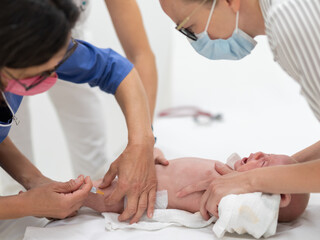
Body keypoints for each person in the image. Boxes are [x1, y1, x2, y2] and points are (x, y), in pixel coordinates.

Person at [0, 0, 158, 227]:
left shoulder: (39, 42)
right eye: (44, 71)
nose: (54, 76)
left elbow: (116, 70)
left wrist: (142, 142)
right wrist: (27, 205)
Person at [158, 0, 320, 219]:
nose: (194, 42)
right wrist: (276, 171)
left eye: (189, 28)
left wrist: (249, 181)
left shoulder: (289, 20)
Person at [84, 152, 310, 222]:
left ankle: (79, 195)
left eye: (262, 162)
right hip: (144, 170)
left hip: (139, 196)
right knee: (95, 186)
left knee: (97, 193)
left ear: (278, 197)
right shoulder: (232, 174)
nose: (257, 153)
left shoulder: (237, 199)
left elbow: (242, 216)